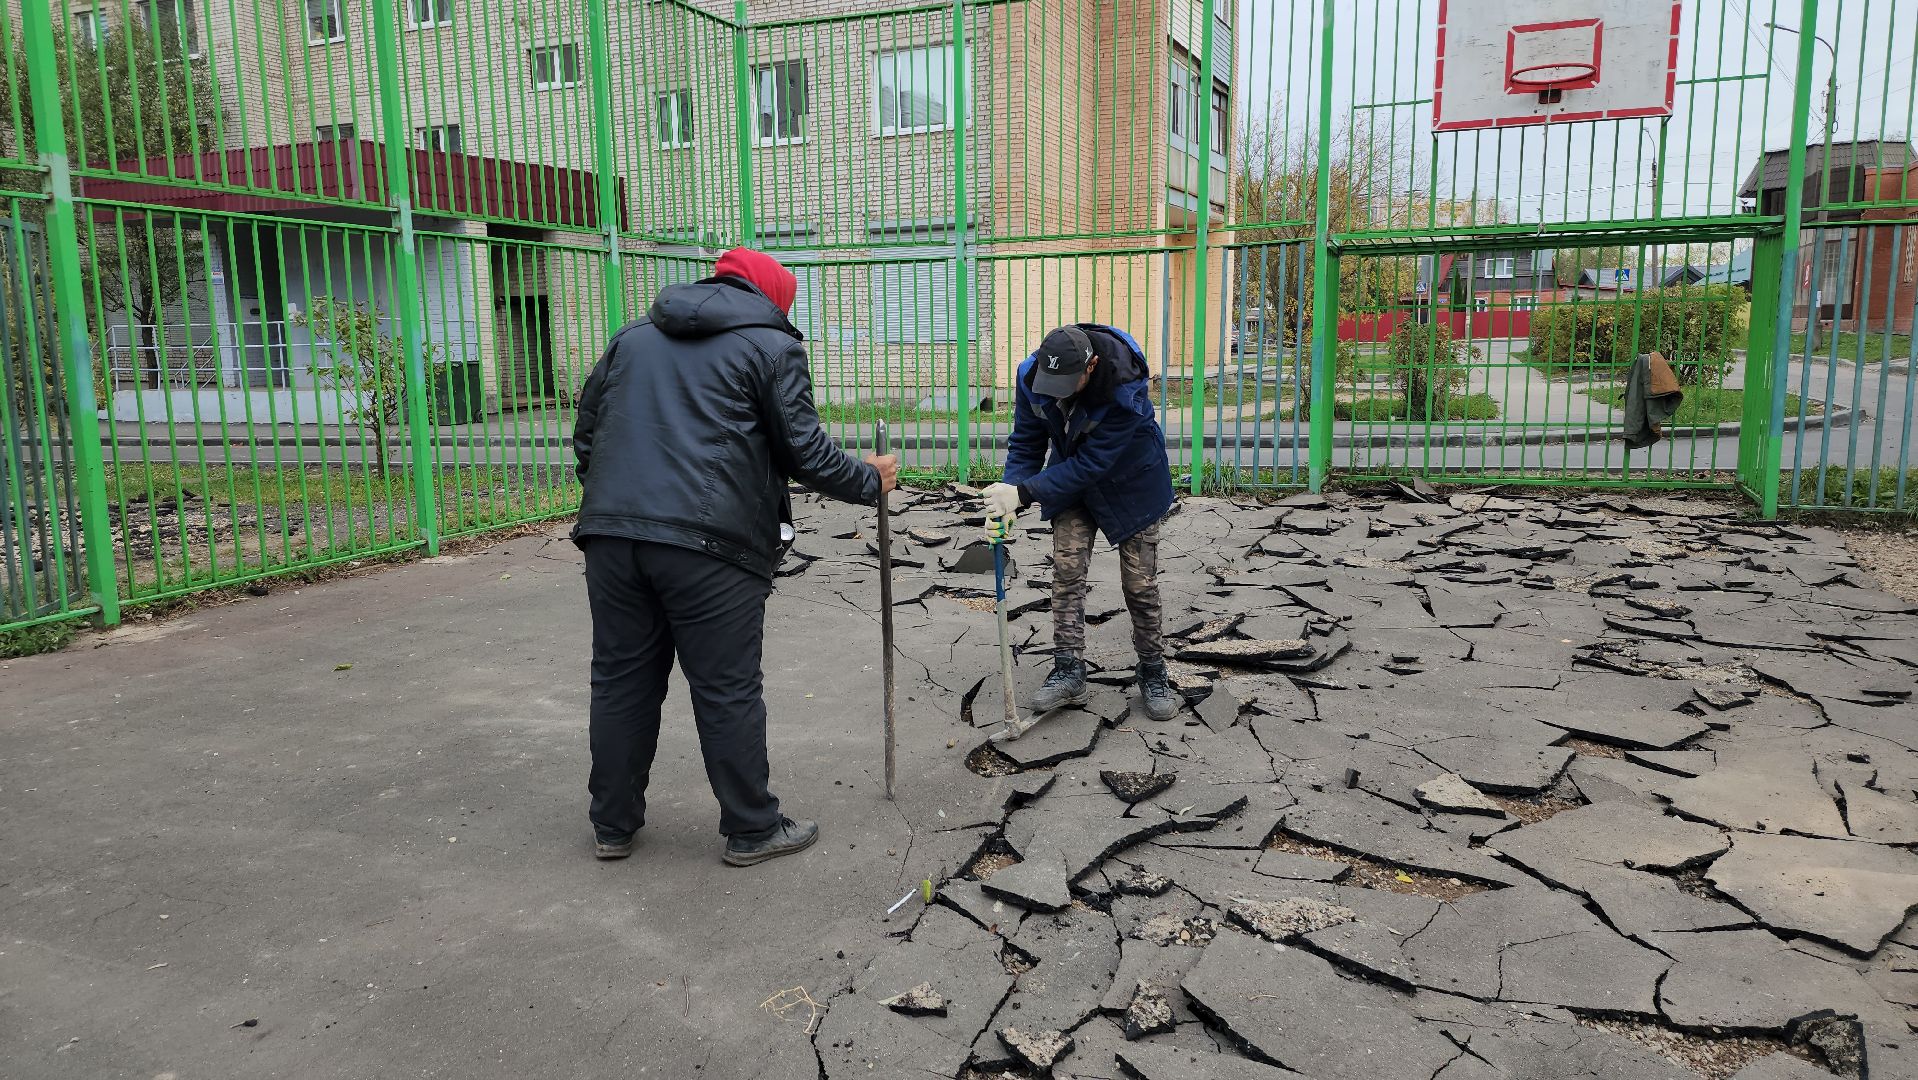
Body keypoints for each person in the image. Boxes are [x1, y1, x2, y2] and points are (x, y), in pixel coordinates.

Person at [571, 247, 898, 866]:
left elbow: (587, 433)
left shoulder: (631, 338)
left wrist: (617, 505)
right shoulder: (771, 347)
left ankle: (612, 824)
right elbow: (804, 451)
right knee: (725, 688)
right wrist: (868, 479)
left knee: (619, 681)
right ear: (773, 299)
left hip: (612, 539)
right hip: (710, 546)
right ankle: (752, 827)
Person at [982, 323, 1178, 722]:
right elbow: (1027, 441)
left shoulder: (1127, 389)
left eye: (1066, 384)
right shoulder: (1031, 375)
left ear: (1090, 366)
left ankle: (1153, 669)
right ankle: (1069, 669)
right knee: (1066, 571)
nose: (1055, 392)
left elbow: (1093, 464)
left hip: (1132, 481)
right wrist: (1009, 495)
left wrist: (1025, 494)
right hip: (1071, 480)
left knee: (1139, 584)